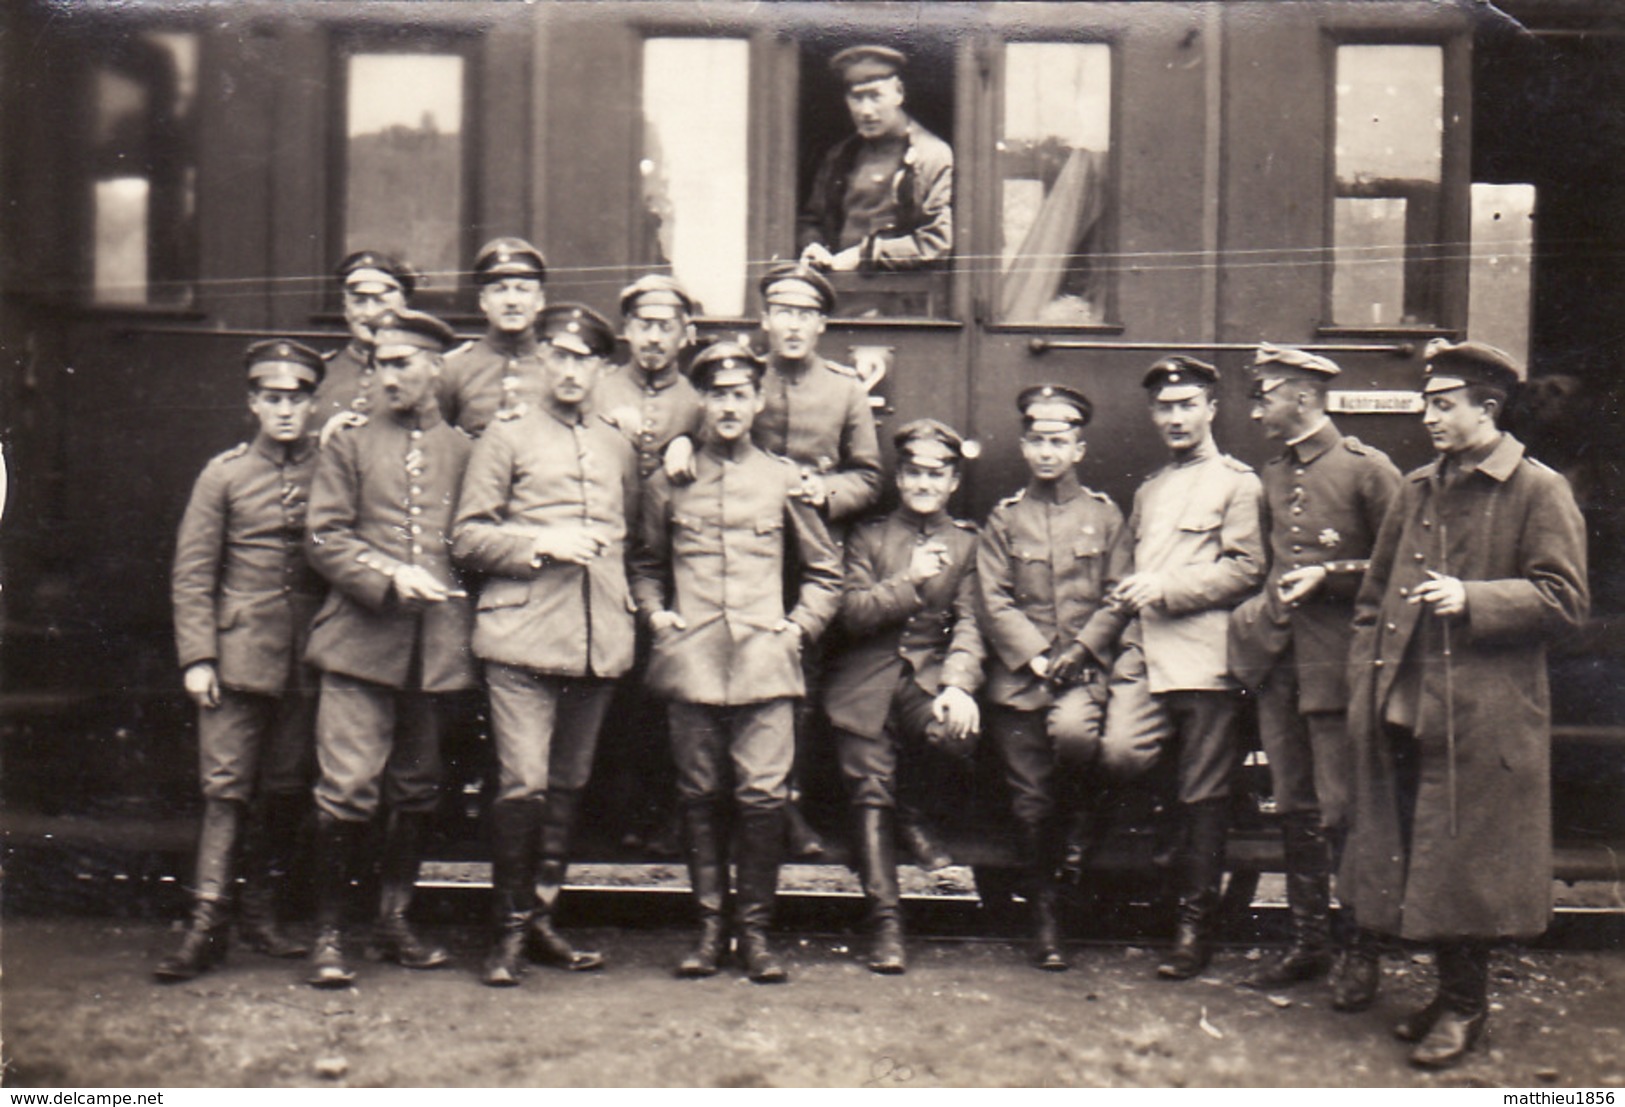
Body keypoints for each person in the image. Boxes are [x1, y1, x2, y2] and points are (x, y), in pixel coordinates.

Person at [1345, 340, 1587, 1069]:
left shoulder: (1536, 490)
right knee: (1428, 851)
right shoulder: (1419, 486)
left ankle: (1464, 1005)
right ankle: (1447, 993)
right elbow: (1373, 594)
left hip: (1484, 713)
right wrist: (1366, 675)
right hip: (1408, 703)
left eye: (1442, 404)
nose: (1428, 416)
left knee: (1467, 862)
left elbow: (1565, 600)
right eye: (1426, 402)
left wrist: (1471, 597)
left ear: (1487, 408)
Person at [629, 342, 842, 984]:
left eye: (739, 394)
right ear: (704, 401)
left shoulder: (782, 477)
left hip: (764, 665)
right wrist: (657, 616)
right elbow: (644, 564)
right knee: (697, 795)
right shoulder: (670, 480)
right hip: (692, 664)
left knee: (761, 798)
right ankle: (707, 930)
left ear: (757, 401)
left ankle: (754, 935)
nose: (728, 406)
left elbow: (826, 573)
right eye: (716, 394)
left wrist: (797, 628)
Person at [451, 303, 635, 987]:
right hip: (521, 638)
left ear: (599, 367)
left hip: (596, 639)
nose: (567, 368)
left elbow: (633, 538)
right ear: (541, 362)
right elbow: (466, 538)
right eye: (556, 354)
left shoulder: (616, 441)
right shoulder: (505, 435)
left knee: (566, 784)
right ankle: (504, 931)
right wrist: (540, 542)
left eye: (581, 357)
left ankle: (540, 919)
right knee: (522, 782)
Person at [301, 308, 476, 988]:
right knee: (346, 790)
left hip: (437, 651)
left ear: (435, 367)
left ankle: (393, 920)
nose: (385, 374)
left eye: (401, 362)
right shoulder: (348, 444)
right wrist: (387, 575)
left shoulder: (465, 450)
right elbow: (323, 536)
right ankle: (328, 935)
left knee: (415, 790)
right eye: (378, 362)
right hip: (358, 646)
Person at [1227, 344, 1402, 1000]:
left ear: (1301, 395)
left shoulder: (1368, 471)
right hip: (1281, 664)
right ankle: (1308, 942)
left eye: (1265, 393)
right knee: (1294, 806)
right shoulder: (1271, 473)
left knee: (1343, 810)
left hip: (1339, 667)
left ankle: (1362, 950)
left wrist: (1331, 576)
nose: (1256, 407)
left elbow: (1399, 573)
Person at [157, 339, 327, 982]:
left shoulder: (331, 469)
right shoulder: (222, 475)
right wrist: (198, 657)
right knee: (226, 790)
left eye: (297, 399)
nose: (285, 411)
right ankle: (206, 923)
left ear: (313, 403)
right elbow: (193, 575)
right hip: (236, 658)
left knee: (286, 789)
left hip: (308, 658)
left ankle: (261, 911)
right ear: (253, 402)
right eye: (273, 399)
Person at [1096, 356, 1265, 981]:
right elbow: (1121, 571)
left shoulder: (1237, 484)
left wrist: (1165, 587)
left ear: (1211, 410)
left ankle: (1193, 926)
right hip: (1145, 653)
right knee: (1119, 752)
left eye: (1186, 404)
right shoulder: (1150, 490)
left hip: (1203, 658)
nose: (1174, 417)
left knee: (1203, 792)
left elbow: (1246, 569)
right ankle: (1165, 853)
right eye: (1164, 407)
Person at [824, 419, 984, 974]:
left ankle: (913, 812)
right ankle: (886, 924)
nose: (922, 483)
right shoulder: (867, 537)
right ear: (899, 475)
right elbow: (849, 613)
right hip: (864, 680)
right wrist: (910, 583)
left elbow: (970, 623)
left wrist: (958, 684)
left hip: (928, 678)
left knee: (954, 736)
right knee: (869, 786)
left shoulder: (968, 543)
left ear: (953, 481)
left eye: (935, 474)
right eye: (913, 472)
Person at [977, 385, 1125, 972]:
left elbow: (1118, 595)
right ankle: (1045, 916)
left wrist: (1084, 650)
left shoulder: (1104, 516)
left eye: (1058, 441)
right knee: (1030, 798)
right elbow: (993, 599)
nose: (1046, 452)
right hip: (1022, 680)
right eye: (1036, 440)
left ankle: (1080, 849)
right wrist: (1039, 658)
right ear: (1023, 445)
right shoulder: (1005, 519)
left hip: (1084, 676)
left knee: (1076, 741)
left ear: (1079, 448)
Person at [592, 274, 706, 854]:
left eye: (666, 327)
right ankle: (608, 816)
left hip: (673, 569)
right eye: (643, 326)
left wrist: (691, 442)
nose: (654, 338)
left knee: (663, 695)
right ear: (625, 330)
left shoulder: (699, 400)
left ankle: (663, 816)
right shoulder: (599, 387)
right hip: (600, 563)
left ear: (686, 335)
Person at [797, 45, 952, 273]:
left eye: (875, 96)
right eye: (857, 97)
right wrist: (814, 245)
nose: (866, 110)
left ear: (898, 92)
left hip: (903, 299)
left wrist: (865, 255)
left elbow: (935, 244)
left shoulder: (931, 155)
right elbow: (811, 220)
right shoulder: (840, 156)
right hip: (841, 294)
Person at [438, 237, 549, 437]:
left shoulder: (556, 365)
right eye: (499, 290)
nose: (511, 301)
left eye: (523, 290)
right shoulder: (454, 368)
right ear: (483, 301)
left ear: (540, 300)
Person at [313, 250, 415, 444]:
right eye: (358, 301)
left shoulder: (425, 374)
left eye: (380, 301)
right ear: (345, 308)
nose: (369, 313)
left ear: (404, 307)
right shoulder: (320, 374)